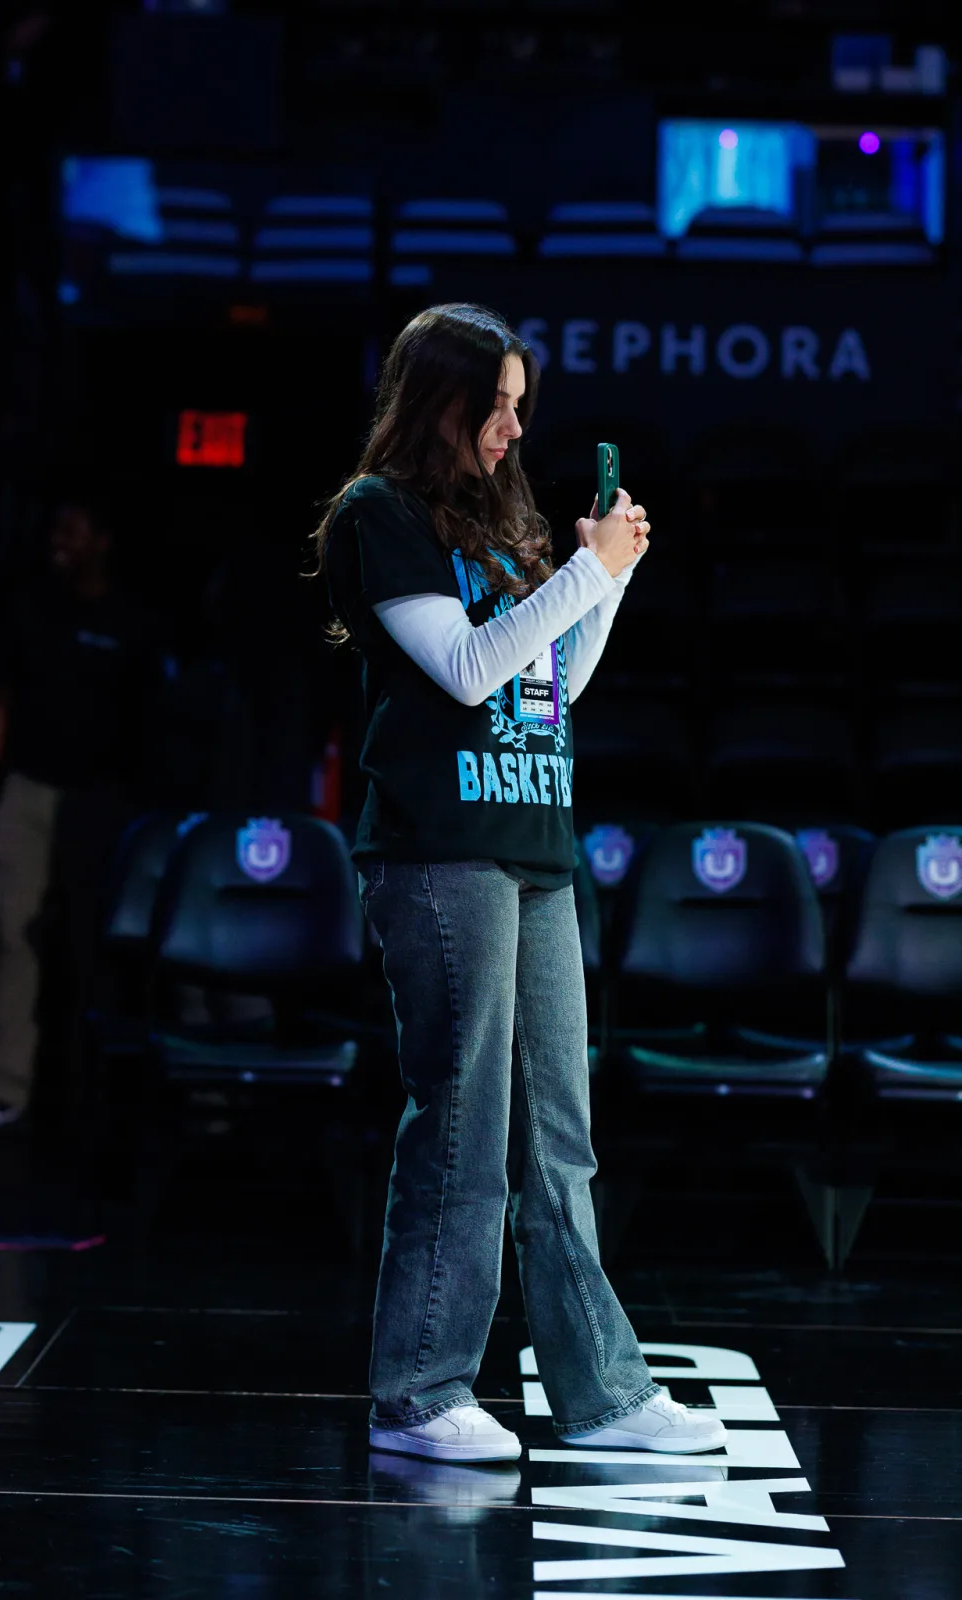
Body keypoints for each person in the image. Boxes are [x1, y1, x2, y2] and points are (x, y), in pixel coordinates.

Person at [313, 303, 729, 1464]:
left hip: (533, 847)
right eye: (491, 403)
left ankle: (600, 1391)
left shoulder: (499, 514)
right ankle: (420, 1392)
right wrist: (580, 576)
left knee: (559, 1135)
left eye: (518, 405)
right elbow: (463, 668)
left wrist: (609, 580)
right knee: (459, 1119)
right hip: (439, 852)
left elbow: (546, 682)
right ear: (433, 398)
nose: (509, 426)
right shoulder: (376, 514)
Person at [0, 493, 168, 1129]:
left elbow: (149, 727)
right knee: (13, 934)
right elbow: (0, 704)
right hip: (27, 790)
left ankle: (92, 1096)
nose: (61, 540)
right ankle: (9, 1087)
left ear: (102, 541)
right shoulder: (29, 609)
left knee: (92, 943)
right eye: (57, 528)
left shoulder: (132, 623)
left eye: (74, 530)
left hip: (98, 801)